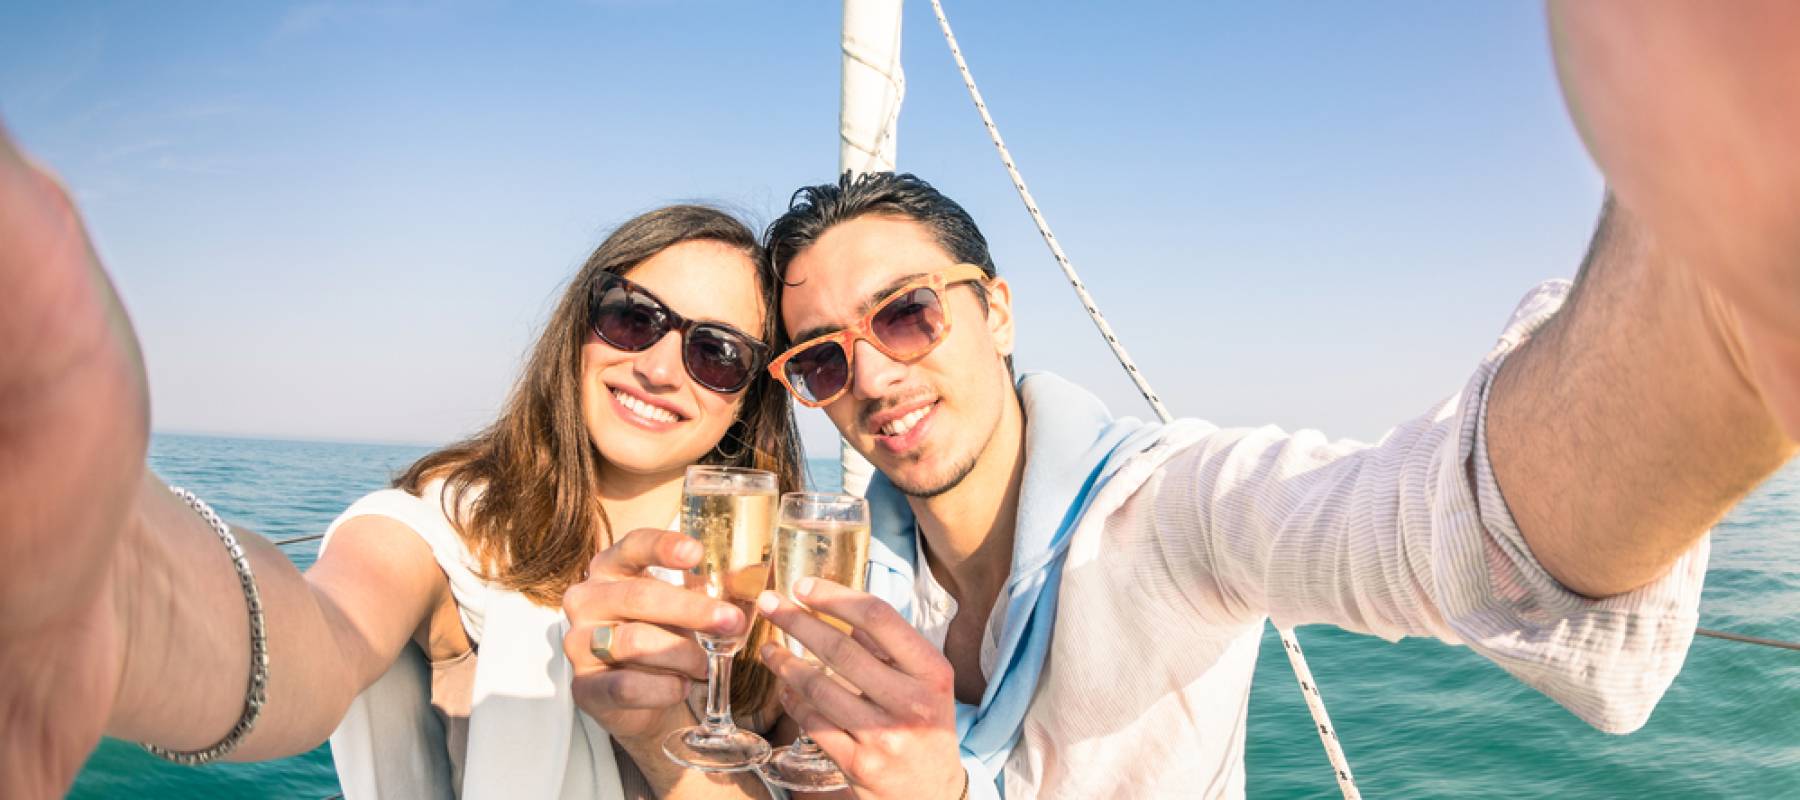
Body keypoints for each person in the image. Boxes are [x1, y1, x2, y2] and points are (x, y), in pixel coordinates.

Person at [744, 6, 1800, 798]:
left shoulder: (1170, 513)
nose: (874, 375)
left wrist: (1710, 302)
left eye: (906, 313)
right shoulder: (845, 581)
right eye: (823, 362)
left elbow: (1444, 525)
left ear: (999, 310)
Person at [0, 149, 805, 799]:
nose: (660, 366)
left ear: (748, 397)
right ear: (582, 326)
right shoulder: (460, 525)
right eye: (634, 317)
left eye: (715, 352)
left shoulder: (776, 596)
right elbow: (329, 634)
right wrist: (120, 591)